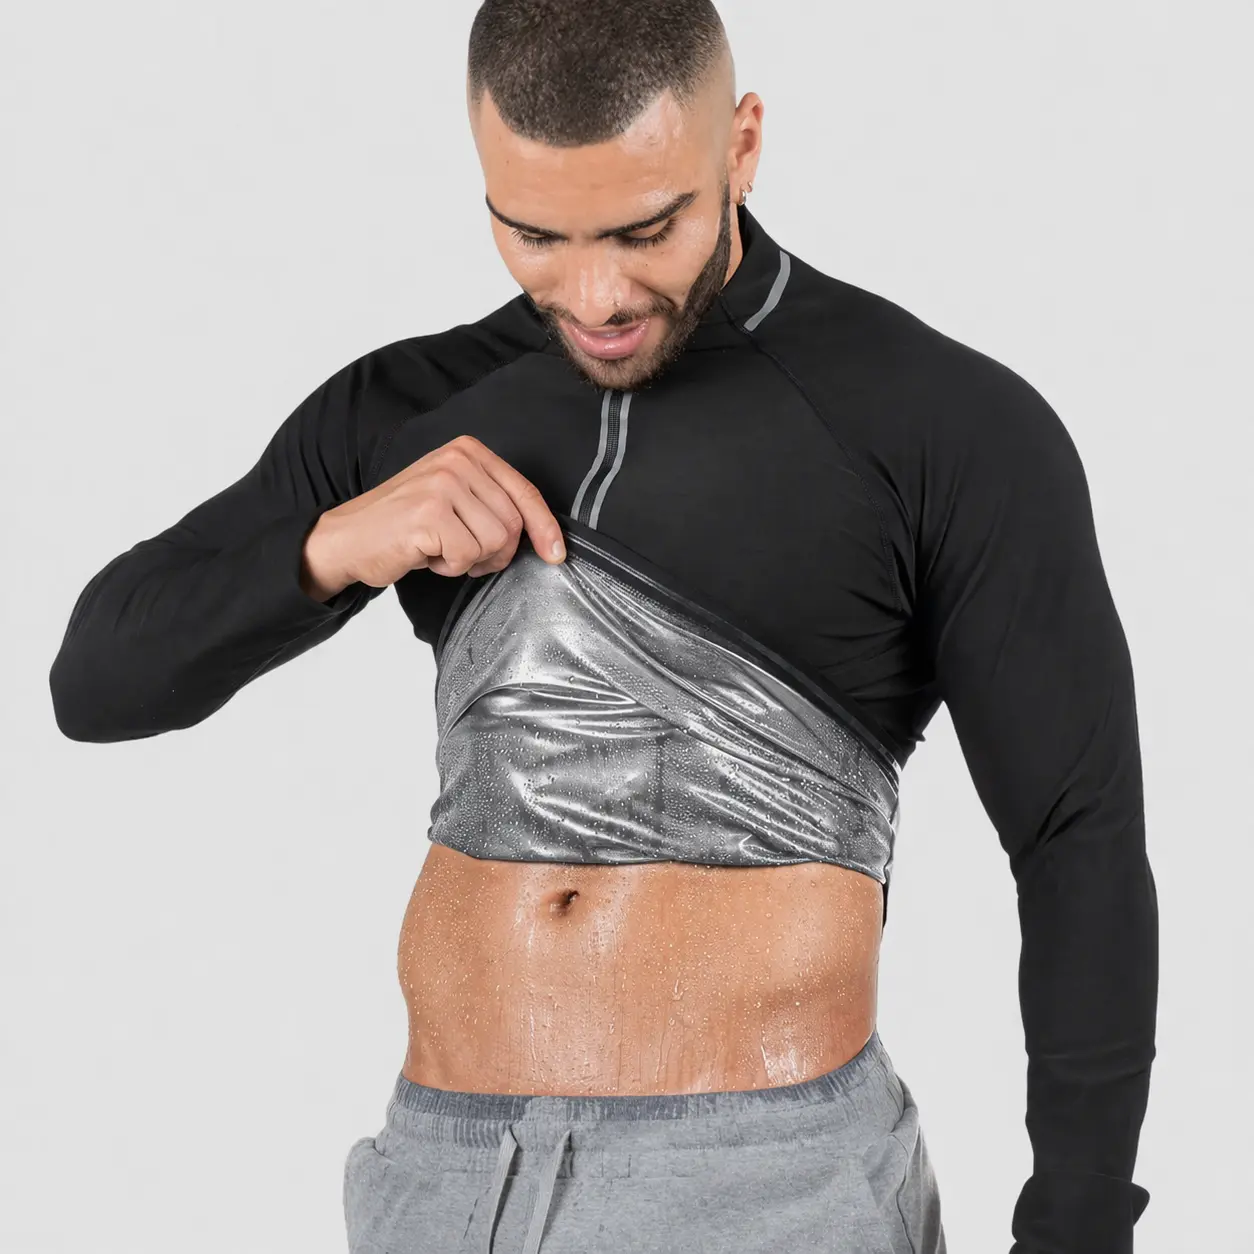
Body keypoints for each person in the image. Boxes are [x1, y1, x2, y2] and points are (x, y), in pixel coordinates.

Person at [48, 1, 1158, 1251]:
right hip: (443, 1179)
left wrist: (1077, 1228)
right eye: (535, 234)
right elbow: (96, 682)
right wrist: (334, 548)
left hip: (764, 1189)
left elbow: (1076, 839)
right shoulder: (408, 409)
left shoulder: (943, 425)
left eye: (646, 230)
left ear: (741, 147)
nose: (596, 294)